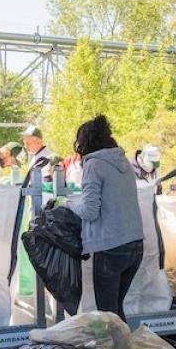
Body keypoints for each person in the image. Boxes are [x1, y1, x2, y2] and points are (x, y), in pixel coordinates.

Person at [64, 115, 144, 321]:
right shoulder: (123, 161)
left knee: (108, 317)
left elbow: (90, 211)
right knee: (116, 310)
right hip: (135, 244)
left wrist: (69, 204)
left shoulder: (94, 165)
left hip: (111, 248)